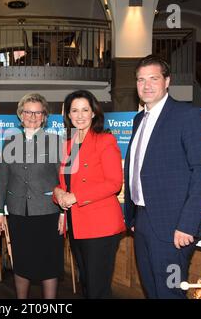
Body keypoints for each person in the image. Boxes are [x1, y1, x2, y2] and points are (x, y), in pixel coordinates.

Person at [124, 55, 201, 299]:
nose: (146, 85)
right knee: (153, 290)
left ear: (167, 81)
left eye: (153, 78)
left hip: (175, 228)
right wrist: (133, 215)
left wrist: (187, 225)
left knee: (171, 292)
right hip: (142, 221)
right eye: (141, 80)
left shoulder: (188, 116)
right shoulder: (138, 120)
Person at [54, 90, 125, 298]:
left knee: (97, 288)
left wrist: (75, 196)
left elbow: (113, 183)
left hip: (100, 225)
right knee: (86, 283)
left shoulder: (105, 141)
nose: (80, 115)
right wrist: (58, 193)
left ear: (94, 112)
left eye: (85, 109)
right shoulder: (67, 145)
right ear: (68, 115)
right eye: (74, 110)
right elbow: (61, 183)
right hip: (76, 224)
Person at [0, 93, 64, 299]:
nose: (32, 116)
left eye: (37, 112)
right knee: (22, 262)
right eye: (27, 112)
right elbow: (1, 180)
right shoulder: (9, 142)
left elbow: (65, 180)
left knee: (48, 263)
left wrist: (63, 213)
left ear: (44, 116)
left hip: (49, 212)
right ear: (20, 115)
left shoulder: (56, 142)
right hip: (18, 213)